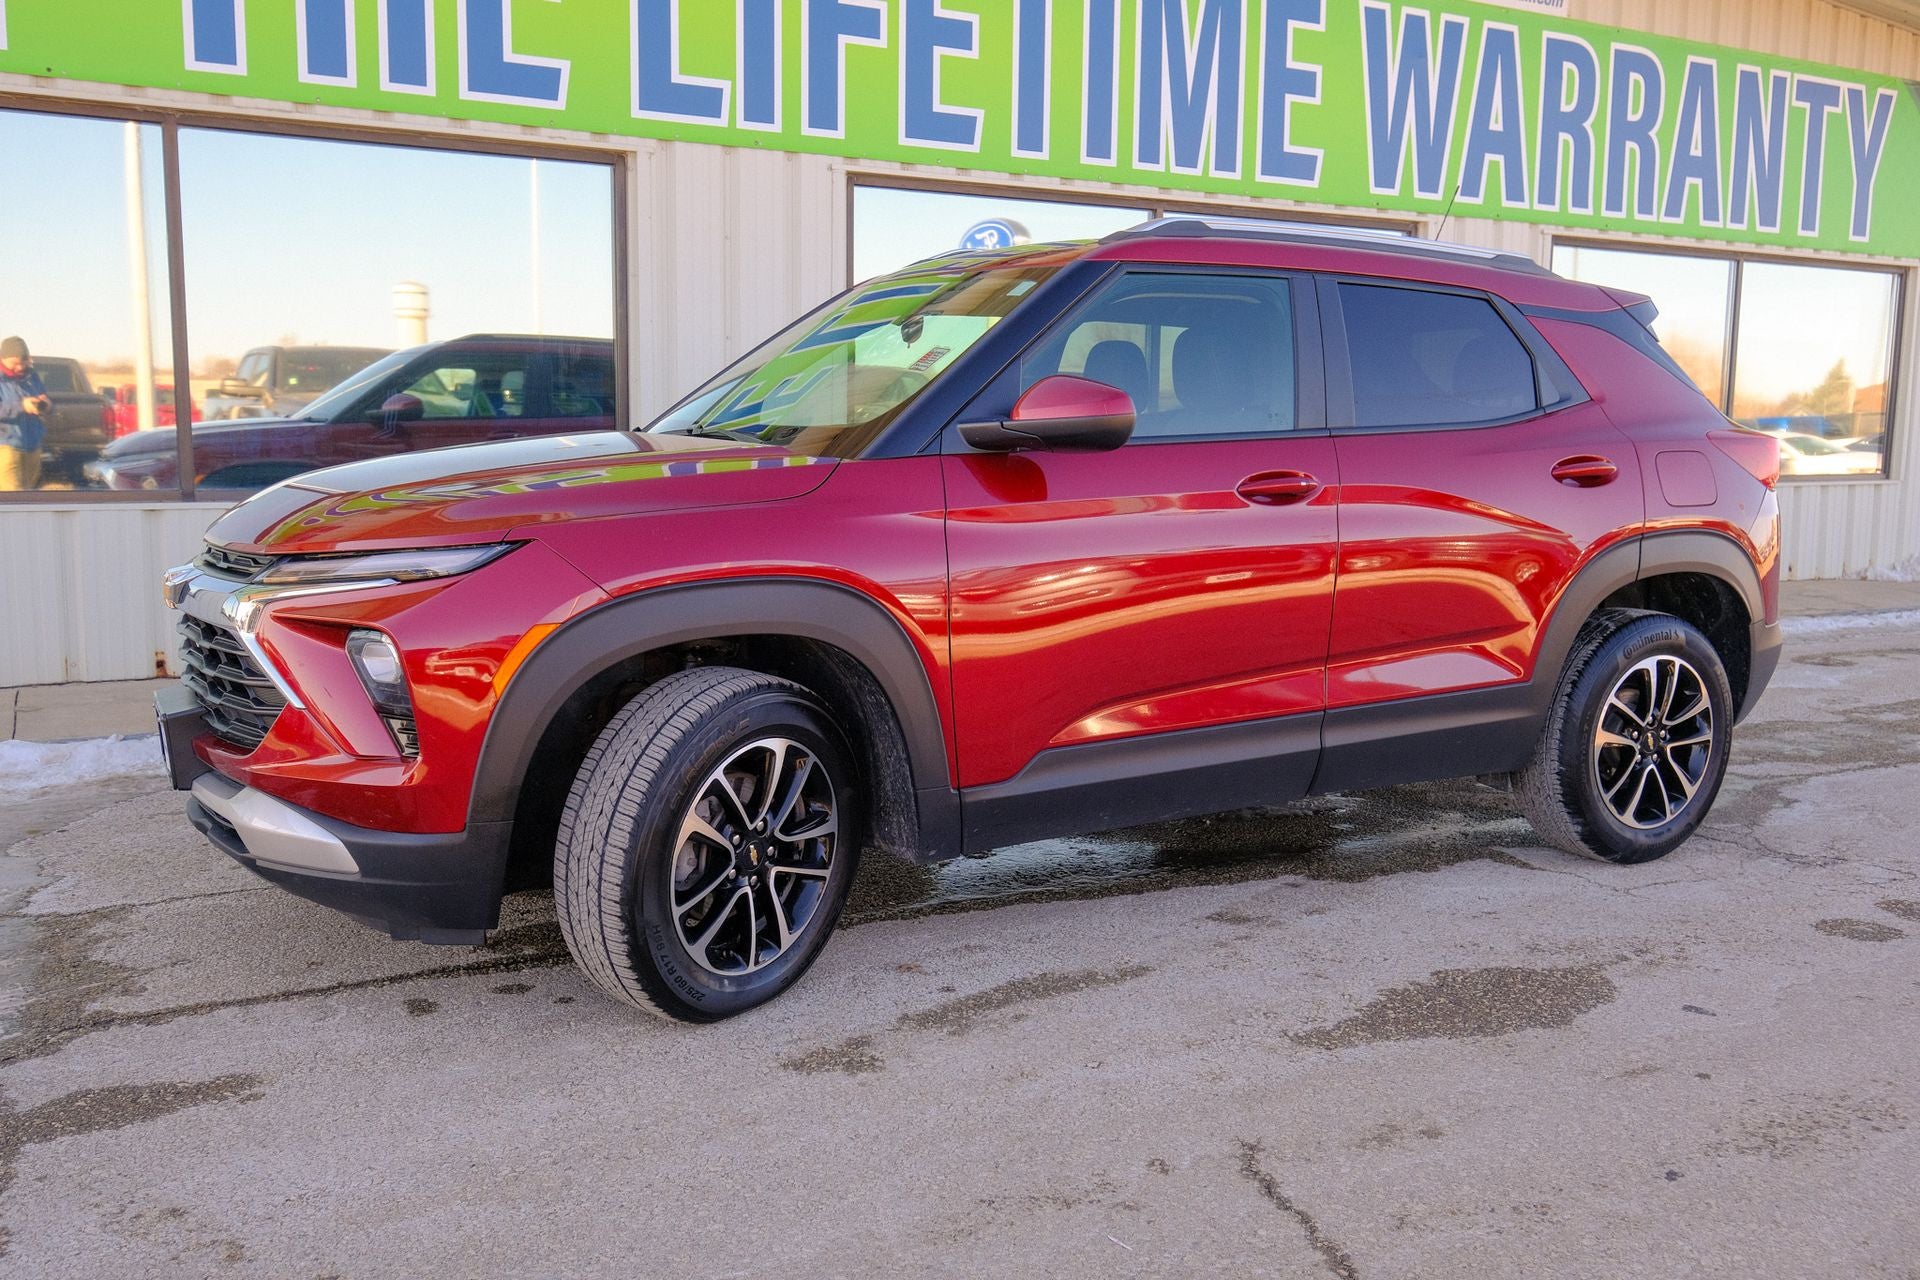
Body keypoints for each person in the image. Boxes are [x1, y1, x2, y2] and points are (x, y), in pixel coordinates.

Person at [0, 336, 50, 491]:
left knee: (30, 495)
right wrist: (22, 406)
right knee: (12, 498)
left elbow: (43, 397)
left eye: (23, 362)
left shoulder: (32, 377)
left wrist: (46, 405)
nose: (20, 367)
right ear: (2, 358)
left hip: (32, 445)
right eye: (15, 363)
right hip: (6, 447)